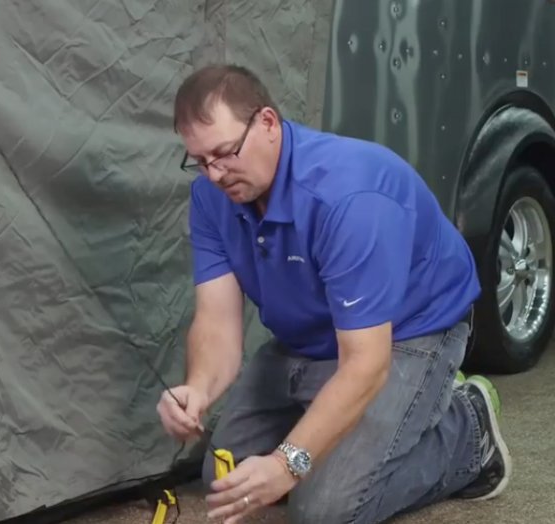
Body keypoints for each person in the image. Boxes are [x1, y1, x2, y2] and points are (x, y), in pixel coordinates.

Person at [155, 63, 511, 524]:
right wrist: (198, 389)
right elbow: (216, 322)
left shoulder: (348, 198)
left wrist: (288, 463)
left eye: (224, 153)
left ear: (267, 122)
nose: (216, 174)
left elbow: (365, 363)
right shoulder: (211, 197)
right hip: (314, 335)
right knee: (228, 479)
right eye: (200, 161)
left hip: (406, 333)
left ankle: (468, 431)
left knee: (322, 509)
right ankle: (350, 428)